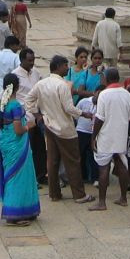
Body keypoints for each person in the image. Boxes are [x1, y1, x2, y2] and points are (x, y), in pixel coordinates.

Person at [25, 55, 93, 203]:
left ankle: (54, 193)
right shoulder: (62, 85)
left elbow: (28, 100)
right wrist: (84, 114)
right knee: (73, 161)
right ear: (58, 67)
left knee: (52, 161)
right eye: (65, 65)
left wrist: (38, 115)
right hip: (65, 129)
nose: (67, 68)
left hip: (49, 125)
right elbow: (69, 108)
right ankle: (79, 195)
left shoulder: (41, 84)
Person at [0, 75, 41, 225]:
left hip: (5, 142)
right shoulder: (15, 106)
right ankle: (15, 213)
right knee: (18, 177)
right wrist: (29, 126)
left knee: (12, 175)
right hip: (17, 144)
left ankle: (25, 209)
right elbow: (18, 130)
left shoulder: (2, 104)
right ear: (17, 87)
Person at [89, 68, 130, 211]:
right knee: (121, 164)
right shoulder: (127, 94)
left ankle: (102, 202)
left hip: (106, 135)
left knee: (104, 168)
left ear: (106, 79)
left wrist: (93, 136)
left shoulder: (104, 94)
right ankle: (123, 198)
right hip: (121, 134)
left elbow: (99, 118)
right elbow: (129, 116)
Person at [10, 48, 47, 184]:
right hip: (24, 117)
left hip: (37, 115)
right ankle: (28, 178)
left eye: (33, 60)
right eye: (29, 60)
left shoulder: (36, 72)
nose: (32, 63)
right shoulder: (15, 75)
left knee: (40, 147)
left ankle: (40, 175)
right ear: (22, 60)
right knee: (27, 148)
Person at [76, 93, 98, 185]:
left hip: (94, 133)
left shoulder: (102, 104)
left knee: (93, 156)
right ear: (95, 92)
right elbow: (76, 113)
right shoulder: (83, 101)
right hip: (81, 131)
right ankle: (82, 176)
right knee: (80, 155)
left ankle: (95, 178)